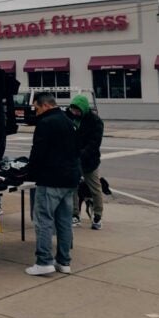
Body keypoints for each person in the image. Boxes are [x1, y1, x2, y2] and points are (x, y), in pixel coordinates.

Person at [25, 93, 81, 276]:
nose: (36, 112)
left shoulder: (45, 123)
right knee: (64, 222)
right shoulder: (68, 121)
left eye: (37, 108)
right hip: (70, 178)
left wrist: (29, 173)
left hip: (50, 179)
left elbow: (38, 151)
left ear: (46, 106)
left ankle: (44, 262)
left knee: (43, 220)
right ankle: (64, 262)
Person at [67, 94, 104, 229]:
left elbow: (94, 143)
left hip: (89, 160)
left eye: (77, 110)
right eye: (73, 110)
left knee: (95, 188)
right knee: (73, 188)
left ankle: (97, 216)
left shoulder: (95, 121)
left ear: (83, 108)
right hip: (74, 160)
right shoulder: (70, 118)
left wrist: (81, 154)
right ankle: (75, 214)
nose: (75, 112)